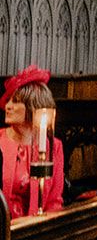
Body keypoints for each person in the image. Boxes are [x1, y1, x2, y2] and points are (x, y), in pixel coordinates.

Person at [1, 65, 64, 217]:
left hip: (36, 231)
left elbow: (54, 202)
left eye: (15, 102)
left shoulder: (53, 147)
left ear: (32, 107)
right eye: (8, 100)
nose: (8, 107)